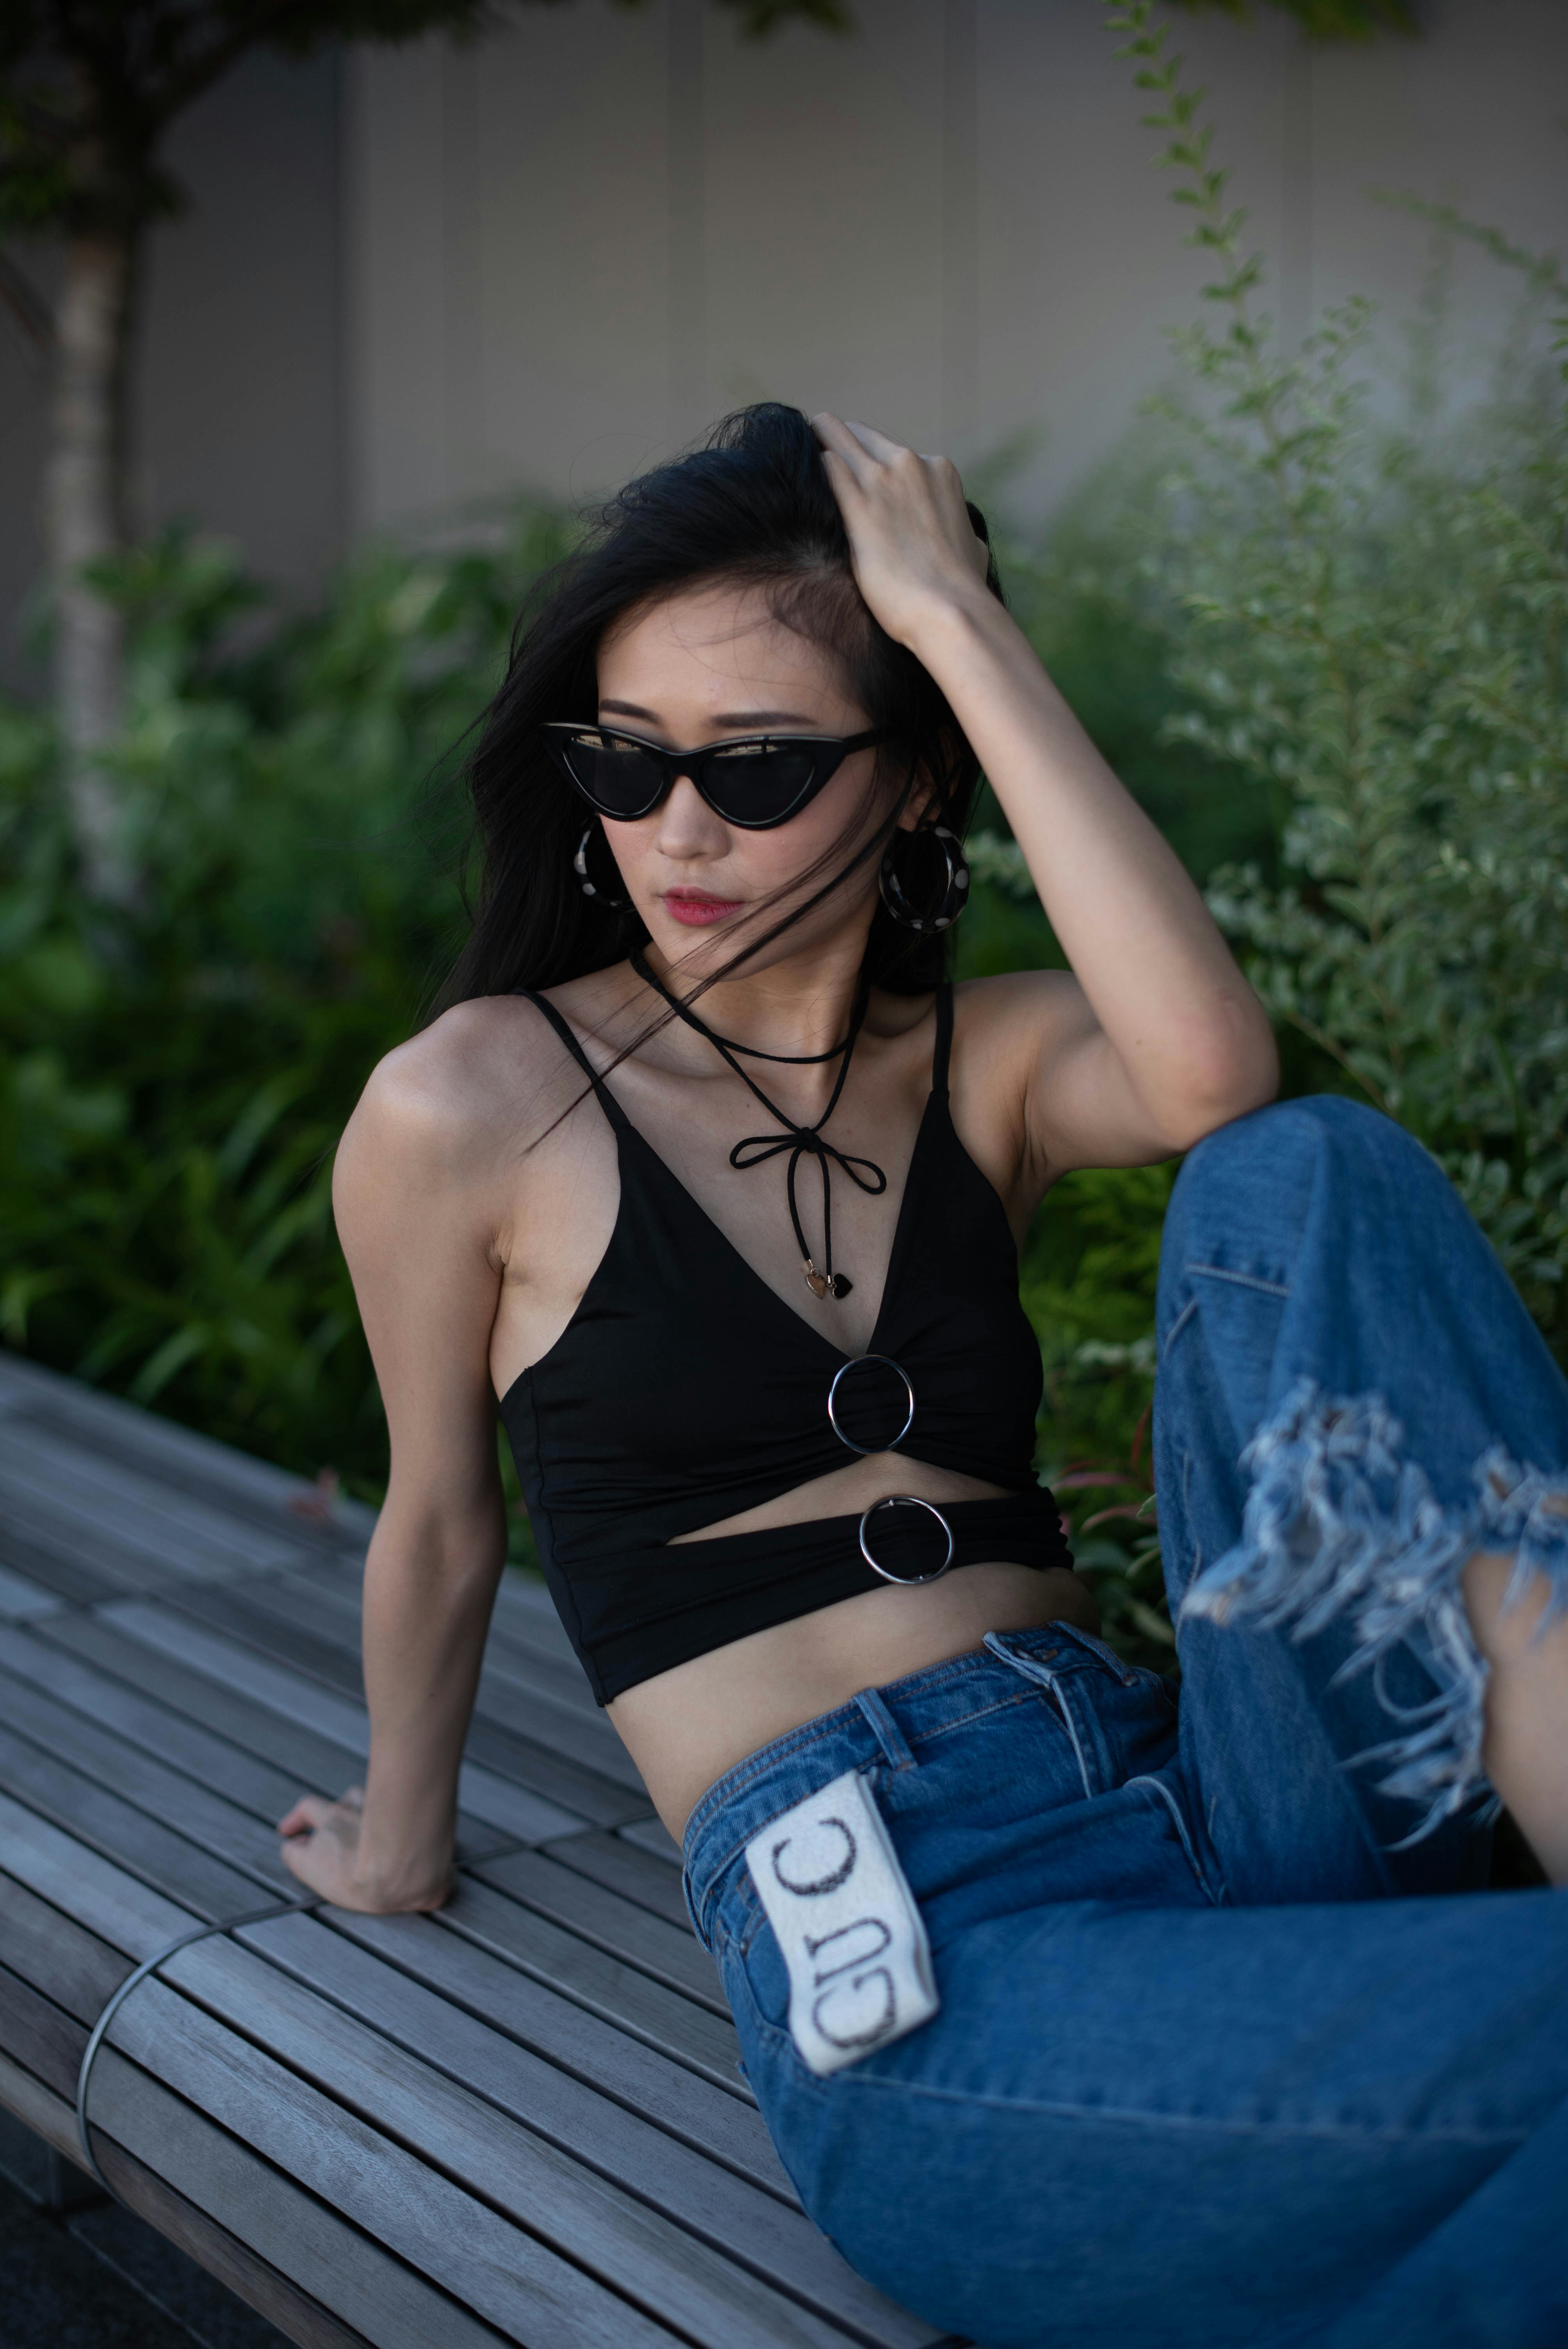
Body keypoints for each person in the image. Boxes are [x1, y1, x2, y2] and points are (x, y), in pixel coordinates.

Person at [278, 405, 1568, 2349]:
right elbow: (443, 1519)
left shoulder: (981, 1061)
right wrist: (396, 1836)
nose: (676, 831)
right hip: (941, 1951)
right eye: (624, 766)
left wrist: (956, 625)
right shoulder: (472, 1102)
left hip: (1218, 1784)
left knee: (1309, 1168)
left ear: (914, 784)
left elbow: (1217, 1070)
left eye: (762, 766)